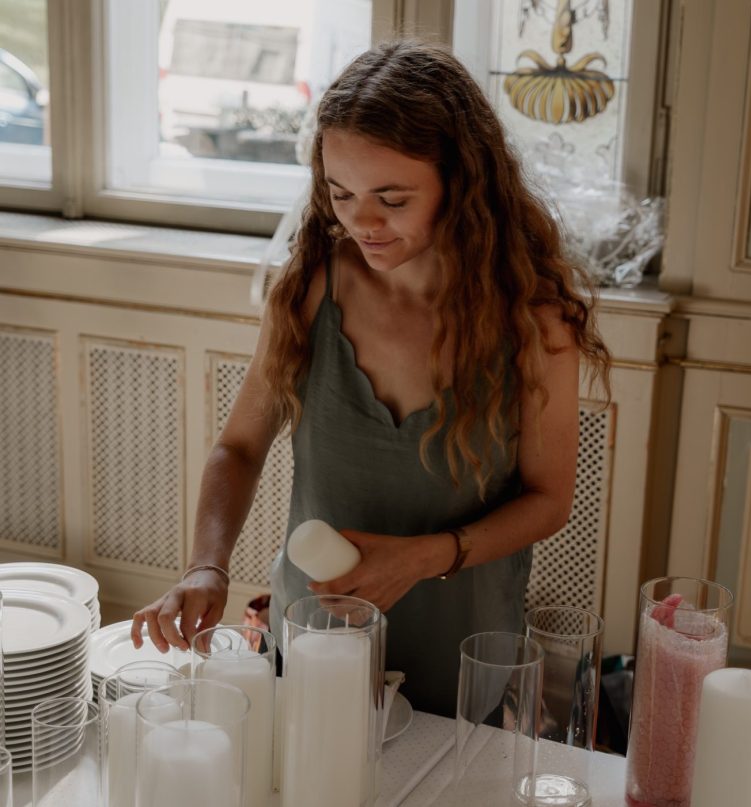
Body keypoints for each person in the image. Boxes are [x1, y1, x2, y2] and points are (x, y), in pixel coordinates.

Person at [131, 39, 610, 717]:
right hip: (313, 639)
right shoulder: (312, 288)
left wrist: (421, 558)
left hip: (461, 650)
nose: (361, 222)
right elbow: (237, 448)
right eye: (341, 193)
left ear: (463, 181)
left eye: (392, 197)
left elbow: (548, 498)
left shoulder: (533, 322)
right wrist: (206, 565)